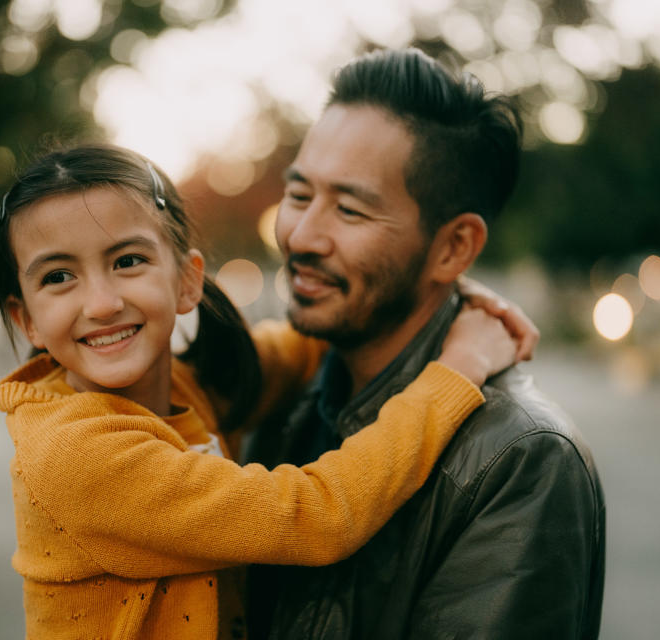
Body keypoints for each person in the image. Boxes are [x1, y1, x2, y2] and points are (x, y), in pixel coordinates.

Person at [0, 144, 529, 639]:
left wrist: (431, 289)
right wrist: (460, 367)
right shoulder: (76, 454)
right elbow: (317, 515)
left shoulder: (182, 383)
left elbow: (292, 349)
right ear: (26, 318)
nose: (102, 302)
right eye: (58, 277)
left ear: (187, 281)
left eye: (128, 261)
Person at [245, 48, 606, 639]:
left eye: (351, 210)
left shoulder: (520, 459)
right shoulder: (289, 392)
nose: (301, 236)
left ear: (454, 249)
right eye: (299, 194)